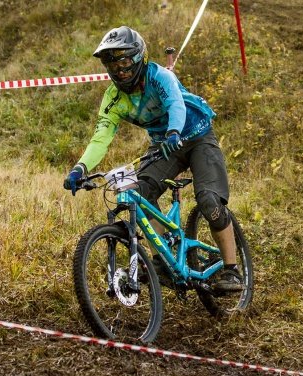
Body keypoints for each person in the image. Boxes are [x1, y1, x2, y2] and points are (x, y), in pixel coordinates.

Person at [63, 26, 243, 292]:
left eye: (124, 62)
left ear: (139, 57)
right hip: (164, 146)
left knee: (208, 200)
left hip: (197, 135)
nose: (119, 70)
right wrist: (80, 168)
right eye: (112, 65)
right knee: (139, 193)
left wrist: (173, 131)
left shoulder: (159, 76)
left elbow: (175, 104)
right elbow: (101, 137)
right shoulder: (113, 98)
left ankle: (232, 270)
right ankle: (162, 260)